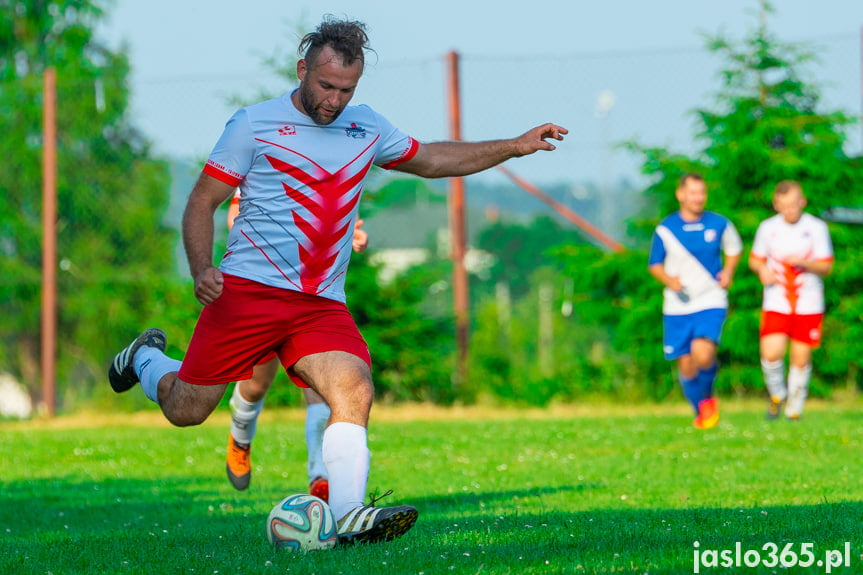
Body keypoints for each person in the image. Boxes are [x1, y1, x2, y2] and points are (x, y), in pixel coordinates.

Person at [108, 16, 566, 545]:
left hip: (320, 304)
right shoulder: (253, 125)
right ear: (303, 70)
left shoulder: (366, 126)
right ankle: (144, 358)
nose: (335, 100)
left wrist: (514, 145)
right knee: (187, 409)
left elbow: (434, 158)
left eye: (346, 90)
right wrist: (201, 268)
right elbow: (201, 202)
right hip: (248, 295)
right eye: (326, 86)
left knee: (354, 388)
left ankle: (348, 515)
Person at [224, 188, 370, 498]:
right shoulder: (266, 156)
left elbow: (341, 216)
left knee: (318, 386)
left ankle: (321, 479)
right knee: (256, 384)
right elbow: (234, 218)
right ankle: (240, 437)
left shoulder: (329, 168)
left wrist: (351, 233)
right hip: (264, 290)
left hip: (312, 297)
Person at [648, 173, 742, 429]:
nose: (698, 198)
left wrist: (729, 272)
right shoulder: (666, 229)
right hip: (677, 304)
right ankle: (702, 409)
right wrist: (670, 280)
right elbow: (654, 264)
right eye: (693, 193)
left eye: (701, 192)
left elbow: (734, 248)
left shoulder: (720, 223)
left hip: (710, 298)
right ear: (680, 195)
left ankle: (708, 401)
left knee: (703, 352)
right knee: (686, 365)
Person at [749, 180, 833, 421]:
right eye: (784, 206)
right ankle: (777, 394)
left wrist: (804, 263)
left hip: (808, 300)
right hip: (777, 299)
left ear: (802, 202)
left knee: (800, 357)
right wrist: (762, 270)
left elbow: (826, 266)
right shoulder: (767, 228)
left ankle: (794, 409)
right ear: (776, 205)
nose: (790, 210)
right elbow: (755, 260)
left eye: (794, 205)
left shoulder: (816, 228)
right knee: (771, 353)